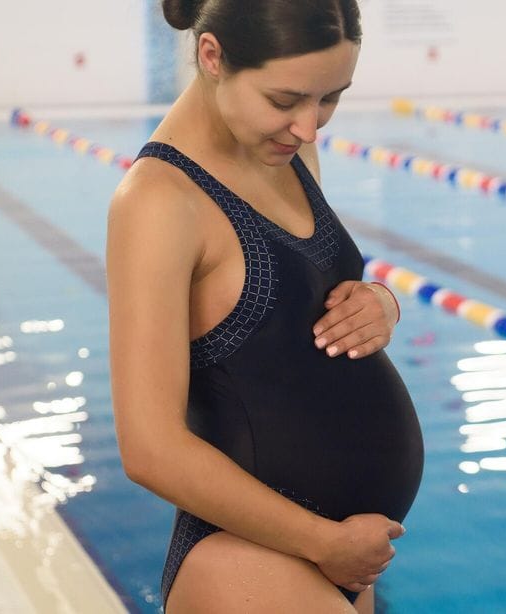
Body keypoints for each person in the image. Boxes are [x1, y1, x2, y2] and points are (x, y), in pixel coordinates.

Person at [106, 1, 424, 611]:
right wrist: (323, 542)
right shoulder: (158, 201)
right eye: (285, 100)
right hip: (252, 560)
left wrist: (380, 303)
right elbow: (148, 447)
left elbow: (302, 297)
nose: (310, 127)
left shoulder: (284, 150)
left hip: (335, 555)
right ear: (212, 56)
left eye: (331, 98)